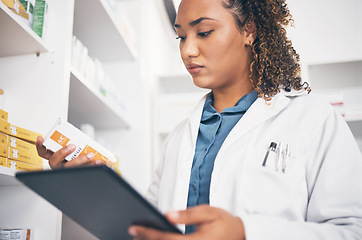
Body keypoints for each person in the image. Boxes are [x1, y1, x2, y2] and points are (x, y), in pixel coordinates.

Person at [37, 0, 362, 239]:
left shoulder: (314, 121)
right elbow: (146, 227)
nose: (187, 50)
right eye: (181, 36)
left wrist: (246, 232)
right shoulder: (181, 136)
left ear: (249, 30)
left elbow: (351, 230)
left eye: (203, 32)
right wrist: (90, 189)